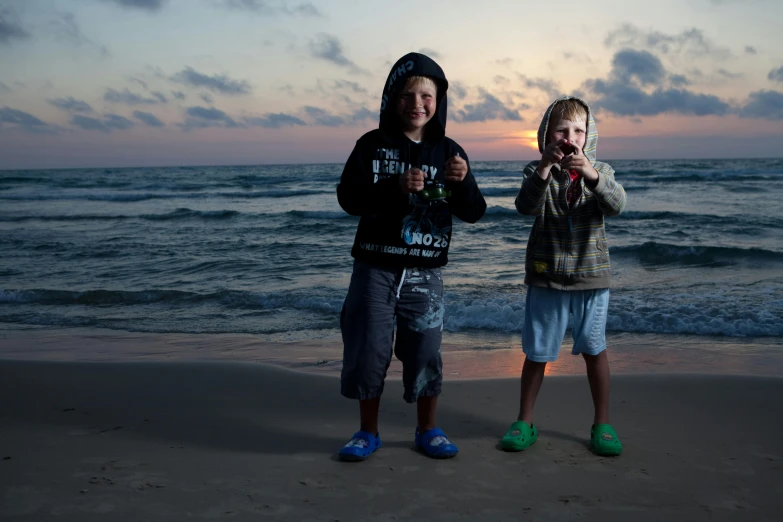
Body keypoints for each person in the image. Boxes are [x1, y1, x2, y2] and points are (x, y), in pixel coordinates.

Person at [336, 52, 486, 461]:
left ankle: (428, 429)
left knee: (424, 351)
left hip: (426, 274)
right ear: (391, 98)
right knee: (369, 350)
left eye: (427, 94)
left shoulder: (450, 151)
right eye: (407, 94)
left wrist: (464, 182)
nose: (417, 103)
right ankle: (367, 432)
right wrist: (393, 187)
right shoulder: (371, 145)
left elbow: (474, 212)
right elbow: (347, 199)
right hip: (375, 267)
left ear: (439, 100)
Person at [501, 96, 626, 456]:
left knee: (594, 348)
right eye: (561, 130)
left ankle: (602, 422)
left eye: (578, 131)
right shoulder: (537, 170)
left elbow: (617, 205)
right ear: (546, 135)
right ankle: (525, 420)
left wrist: (592, 175)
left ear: (589, 137)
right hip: (546, 277)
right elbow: (525, 206)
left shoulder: (601, 170)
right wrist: (543, 166)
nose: (569, 136)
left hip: (592, 277)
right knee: (538, 352)